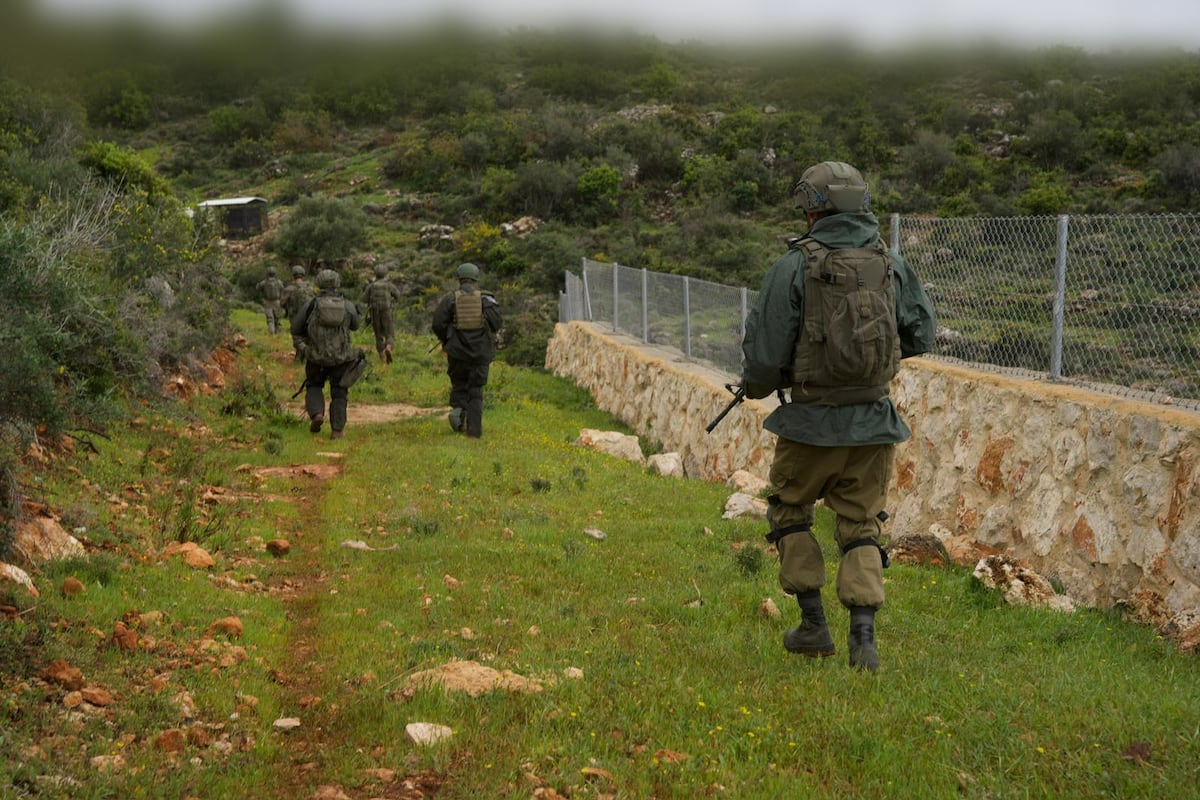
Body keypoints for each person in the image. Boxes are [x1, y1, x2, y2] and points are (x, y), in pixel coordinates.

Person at [740, 161, 937, 671]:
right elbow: (921, 334)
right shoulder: (891, 263)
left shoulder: (793, 266)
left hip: (810, 424)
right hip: (874, 424)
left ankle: (813, 626)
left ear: (811, 207)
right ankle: (863, 641)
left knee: (790, 510)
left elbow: (763, 357)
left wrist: (765, 383)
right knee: (861, 523)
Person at [291, 269, 364, 440]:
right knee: (339, 392)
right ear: (337, 283)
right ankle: (337, 430)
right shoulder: (347, 305)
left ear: (319, 283)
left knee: (314, 385)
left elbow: (296, 328)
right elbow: (355, 326)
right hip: (341, 358)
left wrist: (305, 348)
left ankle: (317, 414)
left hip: (315, 357)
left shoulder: (311, 305)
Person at [431, 263, 502, 439]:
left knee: (459, 386)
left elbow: (437, 324)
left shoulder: (450, 299)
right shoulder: (486, 299)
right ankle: (474, 433)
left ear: (459, 279)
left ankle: (458, 418)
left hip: (457, 353)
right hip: (480, 354)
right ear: (476, 279)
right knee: (476, 392)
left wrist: (447, 339)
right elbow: (496, 323)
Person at [362, 263, 405, 364]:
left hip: (374, 312)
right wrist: (392, 301)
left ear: (376, 273)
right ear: (385, 274)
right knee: (389, 333)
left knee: (378, 335)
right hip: (386, 311)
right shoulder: (389, 285)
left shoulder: (371, 286)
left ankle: (382, 358)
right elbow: (398, 296)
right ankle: (388, 347)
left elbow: (364, 299)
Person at [281, 264, 315, 361]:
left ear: (293, 275)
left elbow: (282, 303)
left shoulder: (289, 289)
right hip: (309, 317)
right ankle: (307, 356)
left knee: (297, 337)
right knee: (307, 335)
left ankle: (300, 356)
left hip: (295, 317)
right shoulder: (310, 288)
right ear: (303, 274)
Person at [255, 266, 284, 334]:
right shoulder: (279, 282)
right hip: (277, 302)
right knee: (277, 318)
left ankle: (271, 332)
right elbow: (283, 289)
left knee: (270, 318)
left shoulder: (264, 282)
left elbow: (257, 288)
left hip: (267, 302)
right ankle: (278, 332)